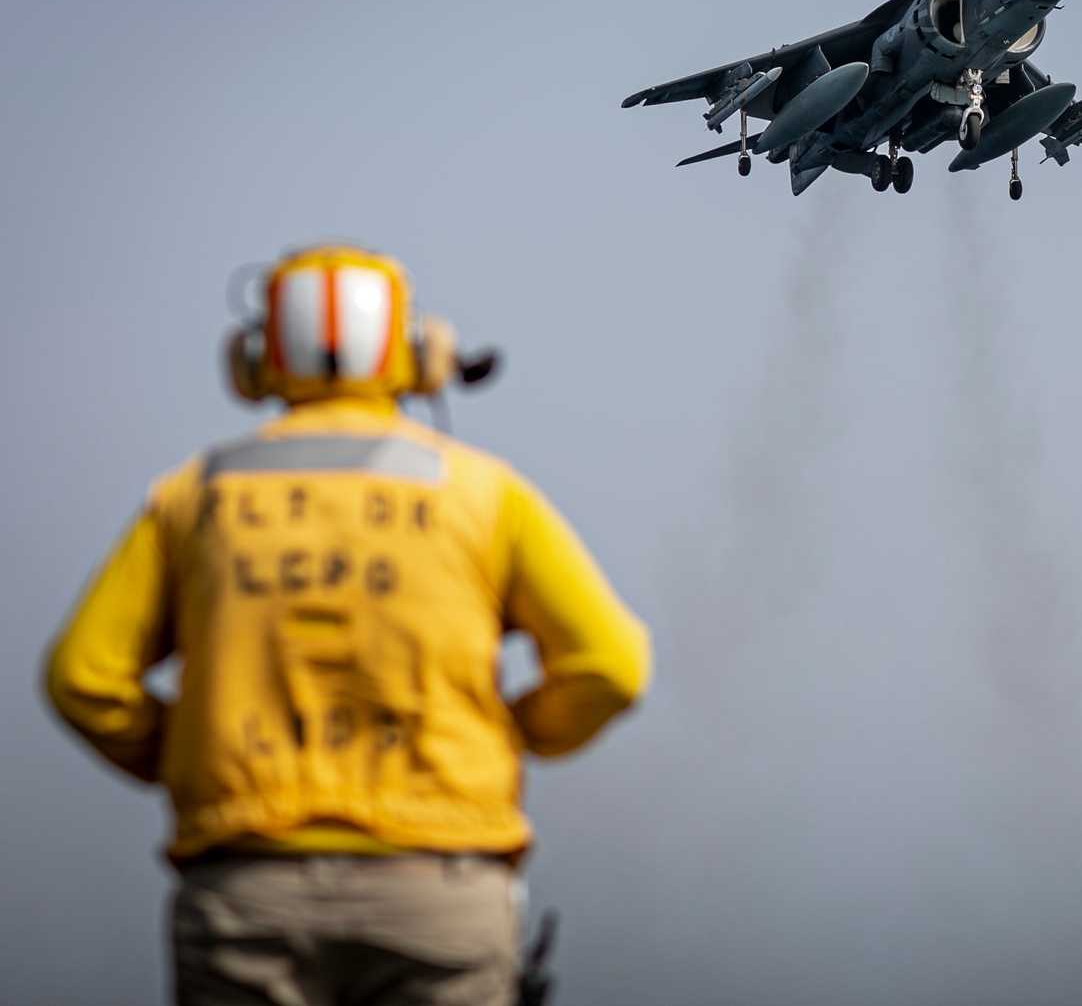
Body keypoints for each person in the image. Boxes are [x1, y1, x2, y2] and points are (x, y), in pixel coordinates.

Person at [42, 244, 652, 1005]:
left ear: (257, 358)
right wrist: (508, 731)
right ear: (423, 355)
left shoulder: (192, 498)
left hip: (246, 893)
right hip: (440, 890)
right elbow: (612, 665)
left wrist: (195, 752)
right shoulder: (482, 494)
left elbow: (80, 679)